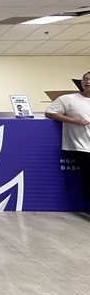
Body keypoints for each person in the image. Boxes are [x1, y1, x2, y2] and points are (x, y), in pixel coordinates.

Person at [45, 71, 90, 199]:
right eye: (85, 79)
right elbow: (49, 112)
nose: (87, 82)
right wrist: (74, 121)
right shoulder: (68, 99)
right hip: (82, 147)